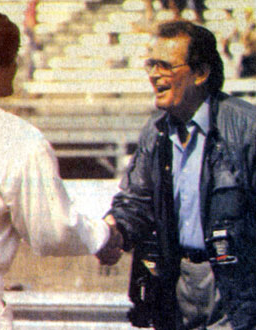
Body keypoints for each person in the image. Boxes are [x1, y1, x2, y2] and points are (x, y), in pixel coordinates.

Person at [0, 10, 122, 329]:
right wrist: (103, 235)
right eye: (11, 59)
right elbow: (51, 232)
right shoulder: (16, 138)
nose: (16, 68)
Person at [97, 20, 256, 329]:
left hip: (235, 290)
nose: (154, 74)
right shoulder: (154, 134)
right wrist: (113, 230)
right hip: (175, 288)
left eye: (165, 65)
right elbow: (136, 202)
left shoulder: (248, 129)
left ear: (200, 73)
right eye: (150, 64)